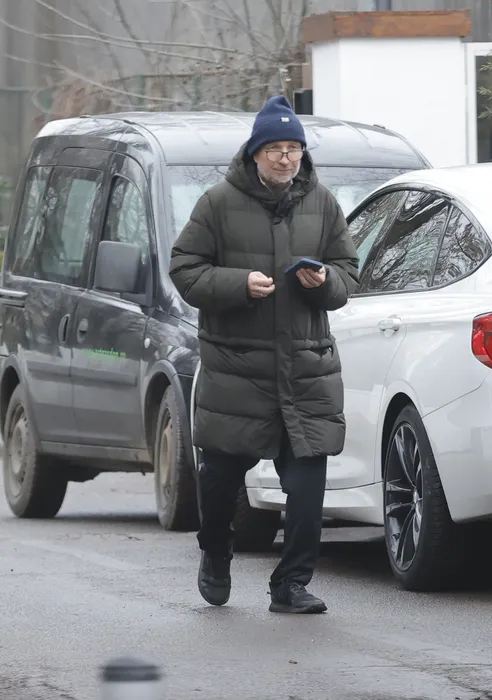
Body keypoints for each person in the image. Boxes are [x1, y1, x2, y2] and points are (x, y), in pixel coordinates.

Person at [170, 95, 359, 614]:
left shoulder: (323, 202)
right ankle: (215, 552)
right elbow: (185, 269)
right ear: (254, 153)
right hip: (237, 371)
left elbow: (348, 273)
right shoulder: (217, 203)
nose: (285, 158)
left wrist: (324, 280)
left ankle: (291, 584)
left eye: (293, 148)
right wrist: (238, 284)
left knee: (307, 489)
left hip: (306, 371)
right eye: (274, 149)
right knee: (219, 482)